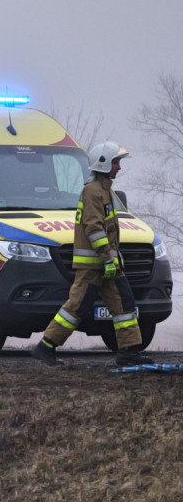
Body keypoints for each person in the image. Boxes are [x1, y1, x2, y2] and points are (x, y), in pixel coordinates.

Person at [30, 141, 153, 367]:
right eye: (116, 162)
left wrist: (114, 259)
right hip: (93, 266)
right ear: (104, 163)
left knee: (124, 304)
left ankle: (128, 351)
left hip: (108, 264)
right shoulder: (92, 192)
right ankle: (45, 347)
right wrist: (107, 258)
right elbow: (94, 229)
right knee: (76, 308)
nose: (119, 167)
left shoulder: (105, 191)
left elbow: (108, 231)